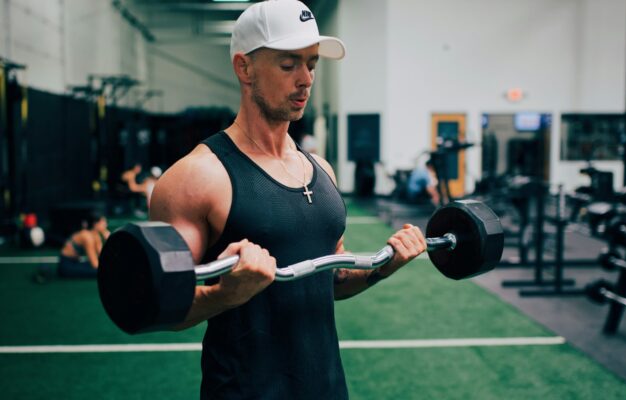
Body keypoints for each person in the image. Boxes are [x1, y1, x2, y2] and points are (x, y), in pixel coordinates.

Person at [148, 1, 427, 398]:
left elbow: (331, 281)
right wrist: (226, 293)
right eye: (288, 64)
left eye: (312, 64)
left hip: (328, 389)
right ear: (244, 68)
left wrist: (385, 265)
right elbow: (163, 305)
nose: (306, 79)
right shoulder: (197, 177)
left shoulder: (322, 170)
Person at [57, 212, 109, 278]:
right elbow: (95, 264)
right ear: (96, 224)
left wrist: (108, 238)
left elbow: (102, 256)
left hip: (75, 262)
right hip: (66, 266)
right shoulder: (86, 236)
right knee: (103, 272)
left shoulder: (95, 235)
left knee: (106, 269)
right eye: (103, 222)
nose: (106, 225)